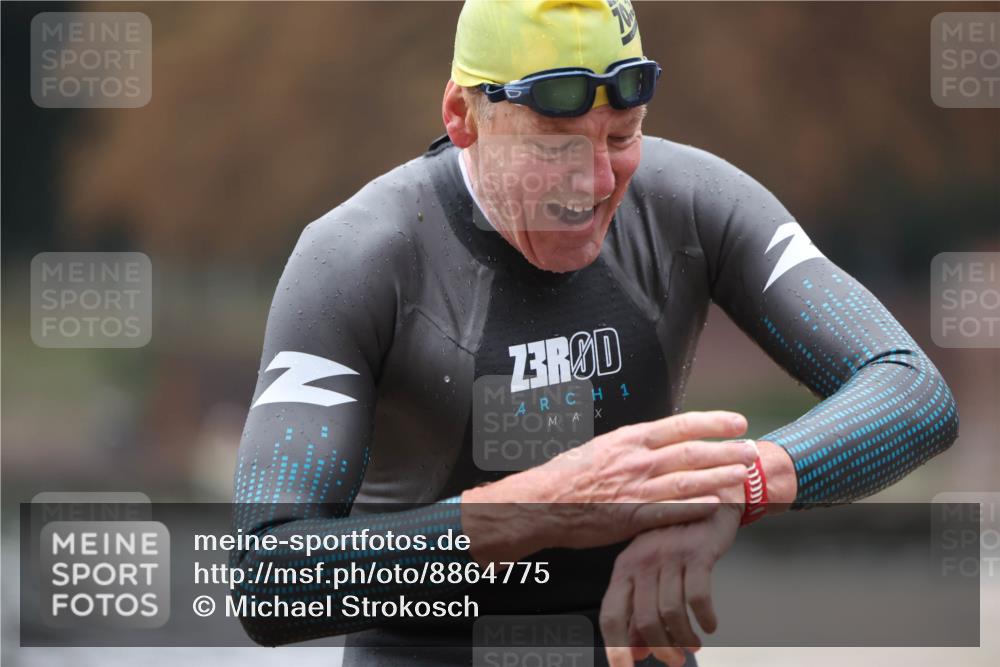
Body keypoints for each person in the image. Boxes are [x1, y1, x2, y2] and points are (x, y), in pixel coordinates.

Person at [231, 1, 959, 665]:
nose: (594, 180)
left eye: (621, 136)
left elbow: (913, 390)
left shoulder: (694, 203)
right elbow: (268, 581)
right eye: (553, 143)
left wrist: (733, 486)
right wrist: (536, 508)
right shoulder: (356, 257)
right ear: (463, 115)